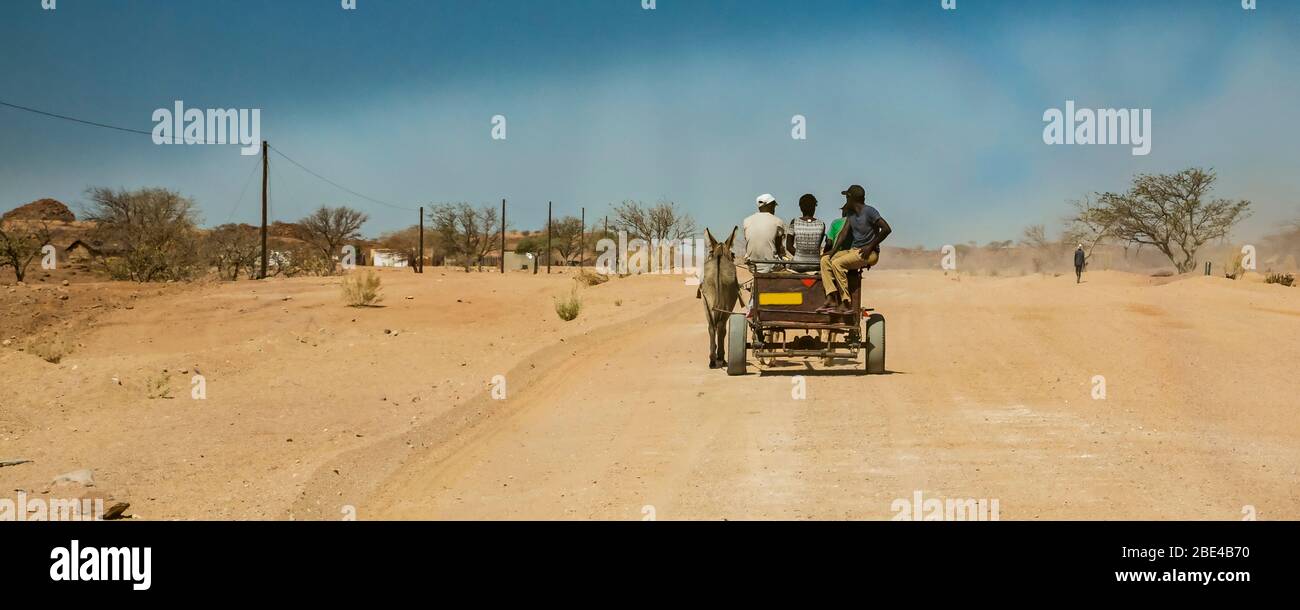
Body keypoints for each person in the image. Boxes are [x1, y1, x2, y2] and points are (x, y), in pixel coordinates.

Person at [817, 184, 891, 314]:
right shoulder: (851, 214)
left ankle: (846, 302)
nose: (845, 200)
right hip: (855, 251)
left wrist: (871, 246)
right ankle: (831, 298)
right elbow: (843, 234)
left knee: (837, 264)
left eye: (846, 197)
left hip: (870, 253)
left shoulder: (869, 211)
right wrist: (832, 252)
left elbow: (886, 229)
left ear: (850, 198)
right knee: (825, 260)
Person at [743, 194, 787, 273]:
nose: (774, 209)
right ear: (769, 205)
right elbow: (778, 247)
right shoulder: (777, 221)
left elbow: (749, 241)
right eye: (774, 206)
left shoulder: (746, 221)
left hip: (753, 266)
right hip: (771, 266)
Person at [786, 194, 826, 267]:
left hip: (798, 265)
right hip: (816, 265)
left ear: (801, 208)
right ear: (814, 208)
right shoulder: (821, 224)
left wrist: (800, 256)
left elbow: (788, 246)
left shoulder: (794, 222)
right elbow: (817, 247)